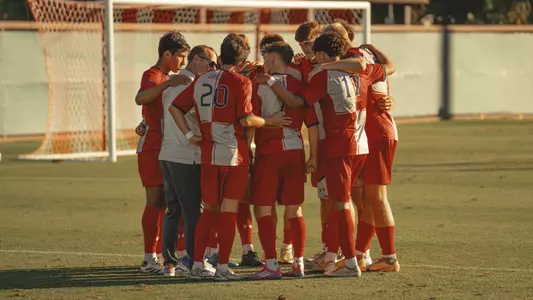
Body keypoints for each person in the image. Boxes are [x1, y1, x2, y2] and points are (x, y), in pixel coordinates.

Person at [255, 33, 394, 277]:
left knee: (339, 203)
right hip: (362, 146)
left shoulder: (321, 77)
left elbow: (297, 102)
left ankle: (350, 262)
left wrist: (271, 82)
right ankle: (346, 254)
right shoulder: (363, 70)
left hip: (339, 146)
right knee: (350, 200)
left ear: (320, 54)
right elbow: (385, 68)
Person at [169, 33, 290, 281]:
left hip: (207, 153)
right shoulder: (241, 83)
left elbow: (175, 108)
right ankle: (222, 267)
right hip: (233, 154)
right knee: (229, 211)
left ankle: (197, 264)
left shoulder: (201, 80)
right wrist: (269, 121)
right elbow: (246, 120)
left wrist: (190, 134)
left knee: (209, 210)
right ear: (242, 59)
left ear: (221, 56)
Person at [248, 42, 318, 280]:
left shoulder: (257, 84)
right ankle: (297, 263)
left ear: (274, 59)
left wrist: (248, 150)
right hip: (295, 149)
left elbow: (250, 119)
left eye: (266, 55)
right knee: (294, 209)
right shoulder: (300, 84)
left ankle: (271, 264)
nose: (263, 59)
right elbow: (312, 122)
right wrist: (313, 156)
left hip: (269, 151)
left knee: (263, 207)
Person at [158, 45, 218, 276]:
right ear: (196, 59)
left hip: (167, 153)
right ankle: (194, 261)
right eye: (210, 63)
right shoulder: (191, 85)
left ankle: (170, 263)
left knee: (173, 211)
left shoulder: (173, 83)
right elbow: (190, 114)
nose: (212, 68)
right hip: (186, 155)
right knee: (194, 212)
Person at [135, 31, 192, 274]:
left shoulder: (168, 77)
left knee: (173, 203)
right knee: (157, 201)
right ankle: (150, 258)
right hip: (152, 148)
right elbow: (141, 98)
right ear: (166, 54)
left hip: (168, 146)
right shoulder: (153, 75)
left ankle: (174, 257)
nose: (182, 62)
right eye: (180, 56)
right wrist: (168, 83)